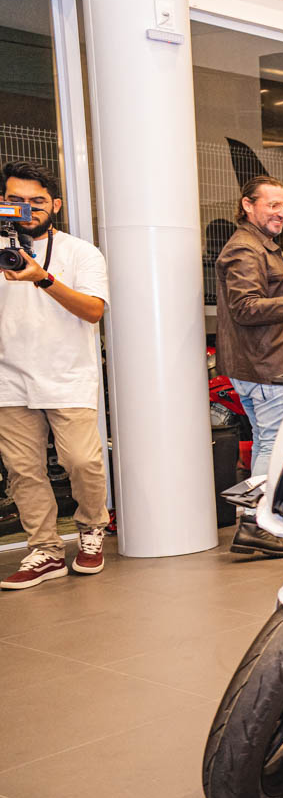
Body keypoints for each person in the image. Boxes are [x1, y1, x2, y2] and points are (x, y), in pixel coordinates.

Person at [0, 162, 112, 589]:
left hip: (67, 375)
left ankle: (91, 527)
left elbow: (94, 310)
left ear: (56, 205)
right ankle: (45, 550)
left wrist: (43, 278)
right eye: (16, 201)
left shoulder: (81, 252)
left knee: (82, 461)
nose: (27, 209)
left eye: (37, 201)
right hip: (8, 378)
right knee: (23, 470)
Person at [215, 175, 283, 557]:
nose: (281, 212)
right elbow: (245, 307)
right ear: (247, 205)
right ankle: (256, 525)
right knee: (273, 443)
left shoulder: (261, 246)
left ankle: (255, 521)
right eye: (272, 205)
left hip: (267, 361)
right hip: (264, 366)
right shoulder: (245, 249)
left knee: (265, 441)